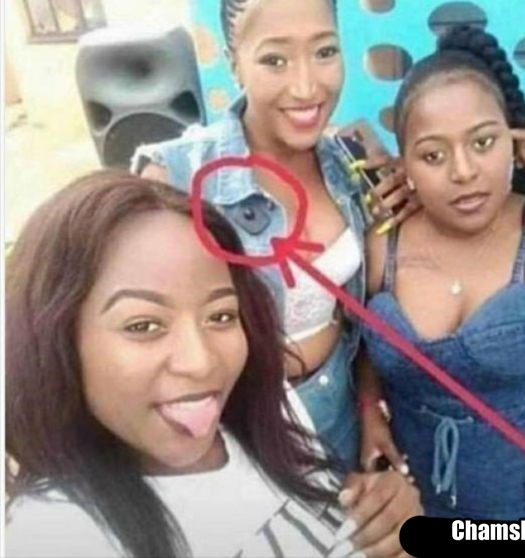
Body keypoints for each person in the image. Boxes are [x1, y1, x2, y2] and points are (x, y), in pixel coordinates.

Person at [5, 171, 417, 558]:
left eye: (220, 316)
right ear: (55, 341)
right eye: (143, 325)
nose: (201, 363)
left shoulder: (268, 411)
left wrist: (386, 522)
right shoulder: (55, 533)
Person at [131, 0, 414, 471]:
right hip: (237, 437)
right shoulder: (175, 177)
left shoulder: (353, 160)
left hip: (340, 414)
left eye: (324, 52)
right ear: (234, 64)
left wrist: (369, 409)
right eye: (274, 59)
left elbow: (367, 312)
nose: (306, 87)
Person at [359, 24, 525, 521]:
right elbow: (363, 339)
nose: (464, 171)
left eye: (484, 142)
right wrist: (367, 406)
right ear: (405, 166)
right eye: (433, 155)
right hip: (410, 512)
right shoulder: (384, 240)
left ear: (514, 139)